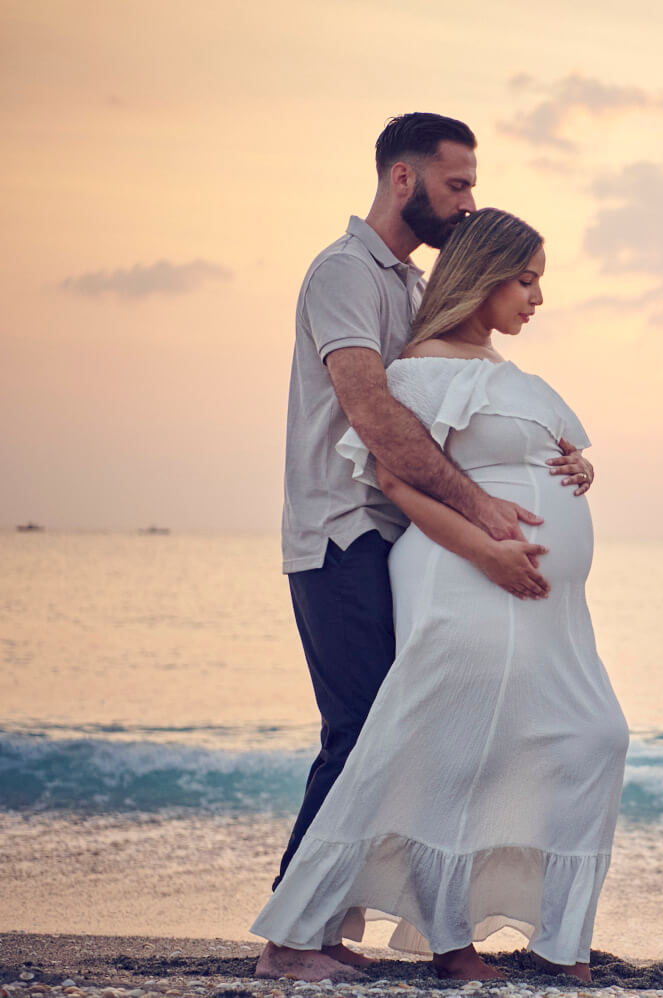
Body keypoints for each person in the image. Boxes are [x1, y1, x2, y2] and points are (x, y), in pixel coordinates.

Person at [252, 208, 629, 984]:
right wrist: (487, 551)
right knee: (449, 752)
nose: (536, 298)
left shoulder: (517, 377)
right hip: (463, 578)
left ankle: (563, 942)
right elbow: (394, 476)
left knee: (594, 737)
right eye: (524, 281)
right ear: (483, 280)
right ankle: (435, 945)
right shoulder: (419, 372)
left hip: (546, 607)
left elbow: (556, 454)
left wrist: (581, 472)